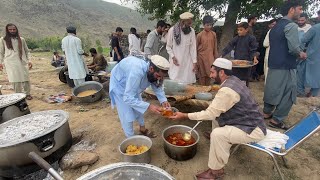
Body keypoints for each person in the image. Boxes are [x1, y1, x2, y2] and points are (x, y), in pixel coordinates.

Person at [169, 58, 266, 180]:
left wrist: (185, 115)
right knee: (216, 118)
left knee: (218, 134)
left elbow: (210, 113)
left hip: (253, 130)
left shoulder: (227, 90)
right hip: (246, 121)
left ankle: (216, 172)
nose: (210, 75)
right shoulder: (234, 80)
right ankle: (219, 146)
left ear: (222, 72)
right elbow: (215, 112)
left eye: (213, 72)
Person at [263, 1, 306, 130]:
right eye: (299, 9)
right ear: (292, 10)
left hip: (274, 64)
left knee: (272, 89)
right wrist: (301, 54)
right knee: (290, 93)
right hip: (287, 65)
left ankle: (266, 112)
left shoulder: (275, 26)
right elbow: (293, 48)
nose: (301, 12)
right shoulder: (291, 26)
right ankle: (277, 120)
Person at [109, 55, 171, 138]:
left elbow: (157, 85)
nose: (159, 79)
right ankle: (130, 138)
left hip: (132, 84)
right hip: (120, 85)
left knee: (138, 108)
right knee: (127, 114)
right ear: (151, 69)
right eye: (158, 76)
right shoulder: (137, 72)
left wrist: (163, 100)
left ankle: (142, 129)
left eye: (161, 77)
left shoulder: (154, 72)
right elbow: (128, 98)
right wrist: (149, 106)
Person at [0, 24, 33, 100]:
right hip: (11, 63)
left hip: (22, 61)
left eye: (14, 29)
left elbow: (27, 51)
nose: (12, 31)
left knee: (26, 78)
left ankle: (27, 94)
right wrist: (0, 62)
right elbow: (1, 52)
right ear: (7, 30)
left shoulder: (21, 39)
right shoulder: (3, 39)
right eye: (10, 29)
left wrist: (29, 60)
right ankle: (19, 96)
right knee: (15, 80)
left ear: (16, 30)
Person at [166, 12, 197, 84]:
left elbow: (193, 48)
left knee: (187, 83)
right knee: (174, 82)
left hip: (187, 62)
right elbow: (168, 46)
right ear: (183, 21)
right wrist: (173, 57)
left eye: (191, 21)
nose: (190, 23)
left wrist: (194, 62)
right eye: (188, 22)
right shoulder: (172, 30)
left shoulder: (191, 31)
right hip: (176, 62)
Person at [298, 23, 320, 97]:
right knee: (317, 76)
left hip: (312, 56)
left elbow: (303, 39)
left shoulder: (315, 28)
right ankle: (313, 94)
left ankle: (300, 92)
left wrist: (300, 33)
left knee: (300, 71)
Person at [196, 15, 219, 85]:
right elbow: (196, 48)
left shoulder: (213, 34)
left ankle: (207, 91)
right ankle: (201, 92)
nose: (209, 27)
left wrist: (216, 58)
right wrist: (195, 61)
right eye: (207, 25)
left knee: (210, 74)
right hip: (201, 58)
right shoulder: (199, 35)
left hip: (210, 58)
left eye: (210, 25)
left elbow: (215, 47)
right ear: (203, 25)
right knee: (202, 75)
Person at [263, 19, 277, 83]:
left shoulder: (270, 31)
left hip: (269, 53)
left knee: (267, 70)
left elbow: (265, 44)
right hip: (277, 55)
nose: (274, 26)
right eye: (273, 24)